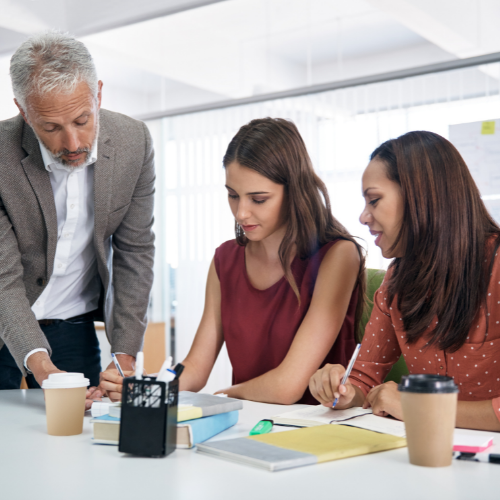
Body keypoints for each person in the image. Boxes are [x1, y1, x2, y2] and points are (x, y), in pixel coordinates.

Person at [104, 117, 365, 404]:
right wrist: (145, 387)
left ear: (294, 191)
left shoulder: (337, 256)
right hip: (249, 423)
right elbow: (195, 369)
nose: (241, 213)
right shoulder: (225, 260)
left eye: (259, 199)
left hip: (313, 429)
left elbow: (288, 386)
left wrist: (223, 396)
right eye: (233, 195)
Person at [0, 31, 155, 408]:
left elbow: (136, 254)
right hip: (4, 319)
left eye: (83, 119)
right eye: (51, 128)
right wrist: (41, 366)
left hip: (73, 327)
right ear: (24, 111)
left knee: (77, 449)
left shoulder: (135, 142)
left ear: (98, 94)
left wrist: (124, 357)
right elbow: (2, 277)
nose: (72, 143)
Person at [309, 130, 500, 431]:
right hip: (428, 453)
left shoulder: (497, 266)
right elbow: (364, 377)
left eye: (374, 200)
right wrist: (341, 389)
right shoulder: (396, 280)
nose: (363, 216)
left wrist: (418, 408)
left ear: (420, 196)